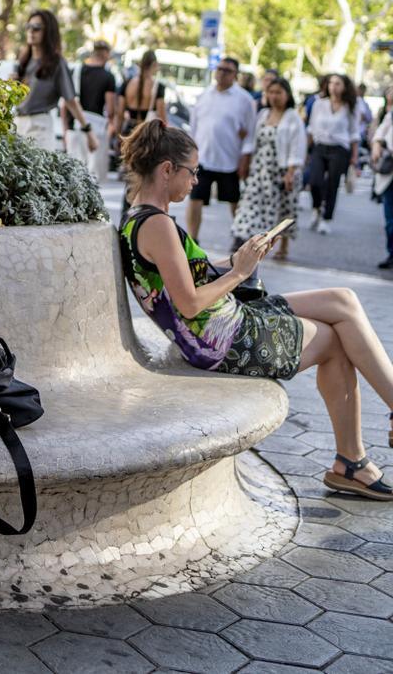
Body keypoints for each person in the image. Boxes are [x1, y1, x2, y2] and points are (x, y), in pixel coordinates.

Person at [119, 119, 393, 503]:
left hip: (223, 324)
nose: (196, 180)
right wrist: (240, 272)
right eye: (192, 172)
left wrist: (234, 258)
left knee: (343, 300)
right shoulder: (158, 226)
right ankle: (351, 463)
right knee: (336, 339)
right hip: (222, 341)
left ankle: (356, 456)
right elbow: (190, 303)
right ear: (167, 170)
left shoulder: (138, 216)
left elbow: (184, 276)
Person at [231, 77, 306, 261]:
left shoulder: (293, 117)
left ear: (287, 95)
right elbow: (252, 141)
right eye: (271, 92)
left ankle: (283, 247)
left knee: (284, 209)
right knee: (250, 206)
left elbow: (297, 146)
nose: (274, 96)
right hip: (260, 170)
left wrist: (290, 172)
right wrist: (245, 163)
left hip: (282, 171)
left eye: (278, 92)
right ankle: (244, 239)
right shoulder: (263, 114)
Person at [186, 57, 256, 242]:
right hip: (203, 157)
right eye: (220, 69)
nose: (222, 73)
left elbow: (250, 133)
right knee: (195, 198)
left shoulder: (244, 100)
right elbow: (194, 127)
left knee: (234, 200)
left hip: (230, 160)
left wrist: (245, 159)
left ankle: (240, 235)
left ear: (235, 75)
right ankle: (193, 238)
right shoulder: (204, 95)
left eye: (227, 70)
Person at [13, 9, 98, 154]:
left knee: (38, 176)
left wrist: (88, 131)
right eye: (29, 27)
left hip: (40, 126)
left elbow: (71, 101)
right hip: (17, 125)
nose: (31, 31)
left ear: (48, 32)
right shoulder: (23, 60)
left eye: (37, 28)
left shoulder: (56, 63)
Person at [307, 74, 360, 235]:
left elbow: (354, 133)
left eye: (338, 83)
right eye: (331, 83)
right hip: (319, 146)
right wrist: (306, 151)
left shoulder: (350, 106)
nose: (333, 87)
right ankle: (316, 208)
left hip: (339, 148)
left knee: (332, 184)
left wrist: (354, 157)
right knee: (314, 181)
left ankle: (326, 218)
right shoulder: (319, 104)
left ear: (344, 87)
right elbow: (311, 127)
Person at [115, 50, 168, 213]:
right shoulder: (157, 86)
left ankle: (126, 209)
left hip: (130, 131)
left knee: (130, 175)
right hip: (147, 133)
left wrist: (118, 135)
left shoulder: (128, 83)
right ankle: (140, 210)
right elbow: (161, 115)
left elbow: (119, 113)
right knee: (145, 176)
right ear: (153, 65)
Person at [62, 40, 117, 183]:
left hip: (75, 127)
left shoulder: (76, 72)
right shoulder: (108, 77)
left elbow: (65, 104)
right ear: (105, 53)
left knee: (73, 175)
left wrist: (65, 130)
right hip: (96, 130)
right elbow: (110, 110)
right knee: (92, 177)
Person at [370, 109, 393, 269]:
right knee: (390, 219)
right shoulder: (391, 114)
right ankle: (392, 254)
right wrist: (377, 145)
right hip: (390, 171)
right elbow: (380, 133)